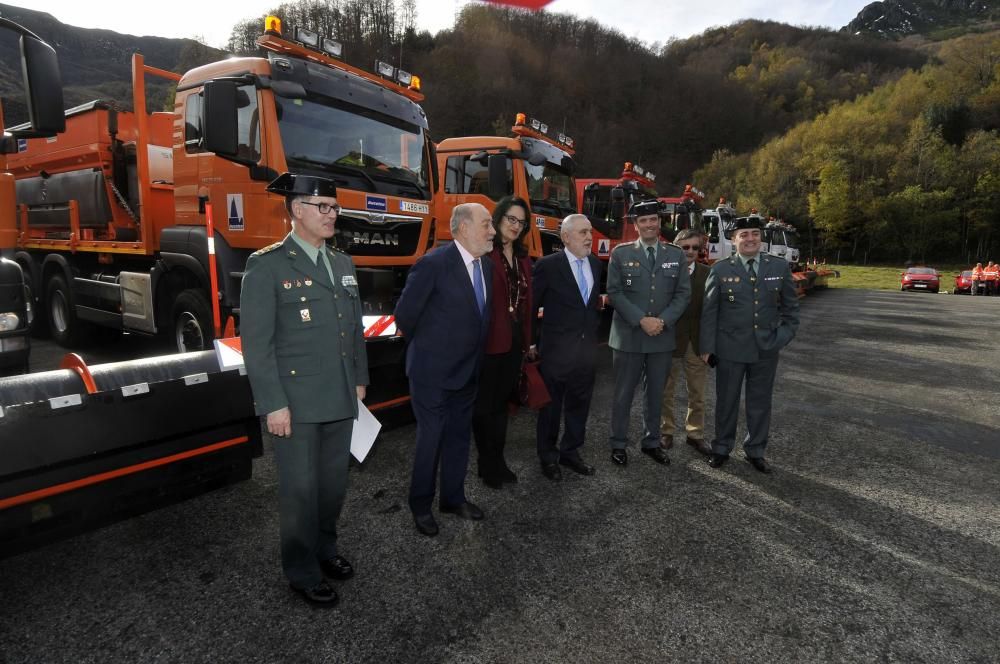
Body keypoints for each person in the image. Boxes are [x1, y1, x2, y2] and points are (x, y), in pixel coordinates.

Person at [240, 173, 368, 607]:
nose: (333, 215)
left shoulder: (343, 263)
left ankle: (325, 550)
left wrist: (360, 379)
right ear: (297, 211)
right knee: (300, 491)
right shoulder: (269, 264)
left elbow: (353, 332)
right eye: (323, 207)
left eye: (334, 207)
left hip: (339, 395)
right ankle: (300, 569)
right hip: (295, 403)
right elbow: (257, 345)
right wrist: (272, 404)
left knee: (332, 486)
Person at [394, 203, 495, 536]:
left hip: (468, 372)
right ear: (463, 228)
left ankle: (453, 498)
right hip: (432, 373)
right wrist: (431, 347)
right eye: (486, 224)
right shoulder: (433, 264)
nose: (492, 231)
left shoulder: (487, 266)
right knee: (431, 440)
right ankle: (420, 505)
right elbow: (405, 315)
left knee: (458, 438)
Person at [700, 215, 800, 474]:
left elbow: (791, 310)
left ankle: (755, 451)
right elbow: (710, 313)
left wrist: (780, 338)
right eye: (744, 235)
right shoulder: (720, 269)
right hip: (729, 349)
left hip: (765, 350)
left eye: (755, 233)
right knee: (726, 402)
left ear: (761, 237)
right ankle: (721, 448)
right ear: (734, 240)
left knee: (760, 402)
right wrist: (707, 348)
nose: (750, 239)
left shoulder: (778, 268)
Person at [606, 200, 691, 466]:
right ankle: (618, 443)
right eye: (643, 221)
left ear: (659, 222)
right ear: (636, 225)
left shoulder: (675, 254)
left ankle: (651, 442)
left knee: (656, 394)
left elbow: (682, 294)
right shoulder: (620, 254)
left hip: (661, 337)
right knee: (623, 394)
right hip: (629, 336)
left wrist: (661, 321)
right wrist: (641, 320)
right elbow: (615, 292)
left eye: (653, 219)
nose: (649, 224)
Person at [531, 214, 603, 481]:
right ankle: (547, 456)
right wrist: (530, 342)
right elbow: (532, 306)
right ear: (565, 237)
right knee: (550, 408)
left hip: (586, 353)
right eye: (583, 232)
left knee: (580, 405)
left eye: (590, 233)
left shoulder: (595, 264)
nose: (588, 237)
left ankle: (570, 452)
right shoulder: (548, 266)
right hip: (555, 352)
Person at [472, 196, 534, 489]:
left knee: (503, 407)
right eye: (511, 218)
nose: (515, 226)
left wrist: (529, 342)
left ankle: (497, 461)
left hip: (514, 343)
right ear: (498, 218)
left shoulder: (523, 258)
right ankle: (487, 464)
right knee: (485, 408)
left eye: (521, 222)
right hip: (488, 344)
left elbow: (527, 303)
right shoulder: (485, 251)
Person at [660, 229, 713, 456]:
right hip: (669, 341)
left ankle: (695, 434)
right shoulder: (663, 273)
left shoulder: (708, 274)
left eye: (694, 247)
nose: (690, 252)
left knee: (697, 393)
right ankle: (666, 431)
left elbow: (712, 313)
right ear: (676, 248)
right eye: (685, 247)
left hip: (697, 343)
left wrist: (709, 346)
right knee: (665, 391)